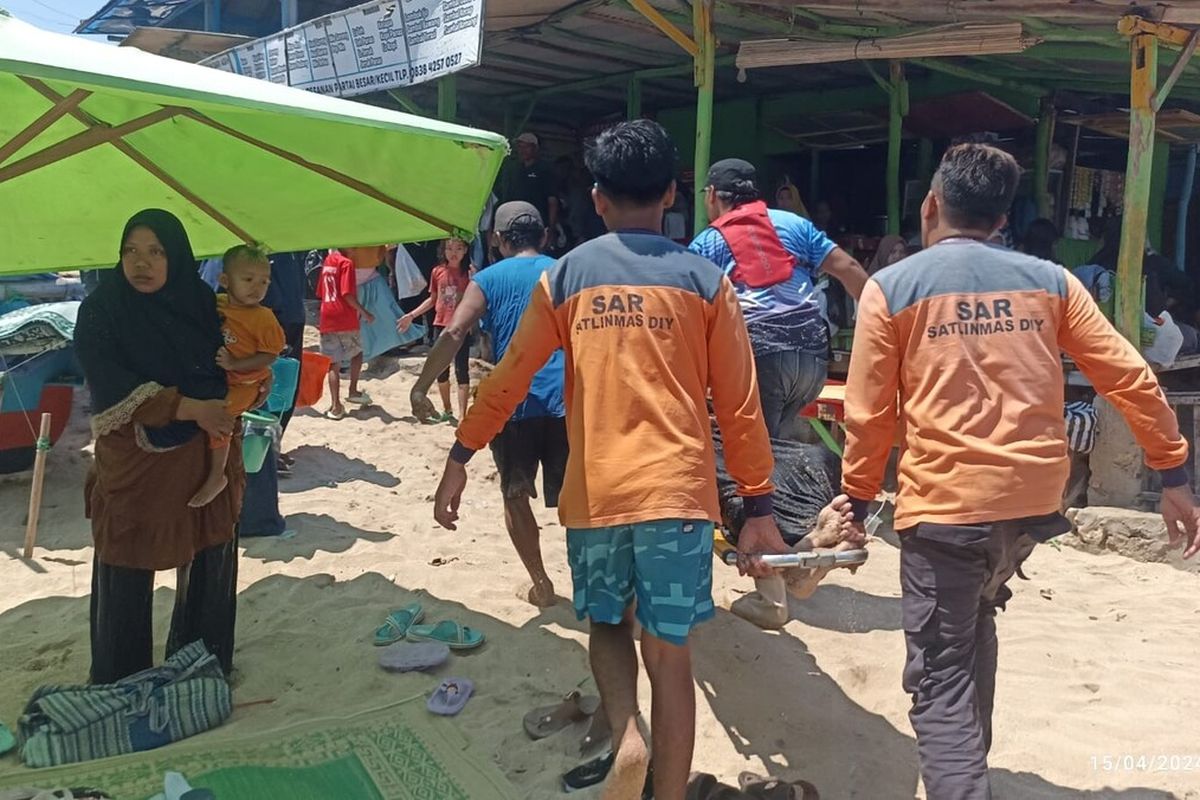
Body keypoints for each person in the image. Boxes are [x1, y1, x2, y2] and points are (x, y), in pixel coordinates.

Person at [431, 120, 789, 800]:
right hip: (679, 497)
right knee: (670, 655)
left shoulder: (566, 276)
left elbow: (508, 378)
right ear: (673, 194)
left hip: (595, 494)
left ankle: (627, 735)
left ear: (596, 199)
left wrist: (461, 452)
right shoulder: (707, 281)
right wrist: (759, 508)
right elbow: (740, 406)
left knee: (606, 625)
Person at [841, 143, 1200, 800]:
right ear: (1002, 218)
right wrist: (1173, 475)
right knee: (975, 618)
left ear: (930, 205)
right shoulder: (1051, 282)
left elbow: (869, 413)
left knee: (939, 683)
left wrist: (857, 499)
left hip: (947, 505)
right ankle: (971, 771)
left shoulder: (889, 288)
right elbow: (1128, 376)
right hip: (1030, 502)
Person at [74, 209, 248, 683]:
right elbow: (108, 380)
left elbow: (237, 361)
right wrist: (189, 407)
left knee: (209, 556)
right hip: (137, 459)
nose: (141, 263)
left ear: (177, 257)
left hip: (203, 454)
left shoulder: (203, 305)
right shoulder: (102, 309)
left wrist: (249, 381)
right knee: (126, 563)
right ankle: (119, 676)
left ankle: (202, 667)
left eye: (156, 252)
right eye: (130, 251)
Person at [410, 202, 566, 608]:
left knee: (515, 494)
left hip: (511, 402)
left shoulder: (487, 279)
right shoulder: (566, 271)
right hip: (568, 401)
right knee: (579, 502)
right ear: (544, 236)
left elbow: (454, 331)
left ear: (496, 240)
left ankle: (541, 584)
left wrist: (422, 386)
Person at [689, 158, 869, 438]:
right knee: (777, 444)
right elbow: (850, 268)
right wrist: (877, 331)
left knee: (753, 453)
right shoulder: (795, 224)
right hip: (813, 359)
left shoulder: (708, 241)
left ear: (712, 194)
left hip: (761, 359)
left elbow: (686, 309)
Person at [190, 245, 285, 508]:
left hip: (246, 381)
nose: (257, 288)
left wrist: (237, 363)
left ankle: (216, 475)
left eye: (264, 282)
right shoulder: (218, 303)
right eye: (248, 279)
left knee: (220, 417)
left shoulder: (263, 318)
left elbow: (269, 355)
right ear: (224, 280)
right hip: (225, 378)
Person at [399, 237, 473, 423]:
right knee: (441, 371)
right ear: (443, 250)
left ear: (465, 250)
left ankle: (462, 415)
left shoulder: (470, 273)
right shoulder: (437, 271)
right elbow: (432, 300)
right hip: (440, 324)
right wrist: (411, 315)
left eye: (458, 248)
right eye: (449, 248)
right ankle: (448, 409)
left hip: (461, 326)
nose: (453, 252)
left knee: (462, 370)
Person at [318, 249, 372, 420]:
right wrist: (364, 312)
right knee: (357, 353)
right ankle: (353, 390)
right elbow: (346, 293)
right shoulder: (346, 263)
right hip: (344, 317)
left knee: (333, 364)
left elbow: (320, 291)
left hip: (327, 316)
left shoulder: (328, 261)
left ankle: (335, 406)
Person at [499, 132, 559, 238]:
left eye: (526, 147)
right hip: (515, 222)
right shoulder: (514, 169)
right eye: (520, 147)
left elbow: (552, 201)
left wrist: (551, 229)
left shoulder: (545, 170)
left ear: (535, 148)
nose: (522, 150)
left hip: (537, 224)